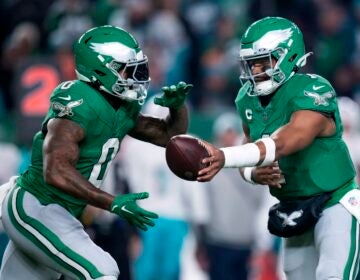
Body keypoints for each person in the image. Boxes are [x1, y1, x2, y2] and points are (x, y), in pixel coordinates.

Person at [0, 25, 193, 280]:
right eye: (126, 69)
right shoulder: (80, 100)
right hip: (38, 204)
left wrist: (178, 108)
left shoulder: (122, 106)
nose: (135, 77)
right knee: (101, 269)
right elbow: (55, 170)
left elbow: (168, 137)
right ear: (101, 69)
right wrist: (110, 201)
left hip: (60, 211)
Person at [196, 17, 360, 280]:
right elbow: (248, 149)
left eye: (264, 62)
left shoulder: (313, 89)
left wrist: (223, 156)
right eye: (251, 64)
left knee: (333, 275)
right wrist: (251, 172)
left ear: (288, 55)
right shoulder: (246, 98)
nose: (255, 71)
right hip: (292, 206)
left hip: (335, 201)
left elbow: (285, 141)